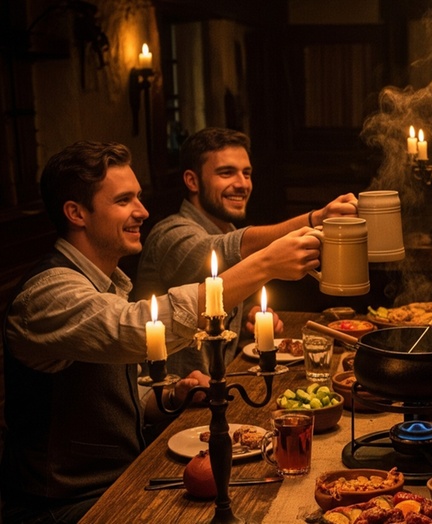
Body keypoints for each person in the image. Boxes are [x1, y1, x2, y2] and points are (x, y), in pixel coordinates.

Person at [0, 141, 322, 522]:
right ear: (76, 213)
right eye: (124, 201)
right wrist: (264, 264)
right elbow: (136, 330)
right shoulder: (47, 294)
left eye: (138, 197)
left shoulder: (103, 284)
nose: (142, 211)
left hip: (124, 479)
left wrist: (171, 395)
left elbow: (113, 391)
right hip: (63, 507)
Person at [136, 127, 358, 377]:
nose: (242, 184)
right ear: (192, 181)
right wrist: (315, 218)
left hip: (216, 387)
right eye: (226, 173)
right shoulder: (170, 233)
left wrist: (246, 321)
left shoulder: (228, 229)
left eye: (247, 173)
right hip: (170, 404)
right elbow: (219, 250)